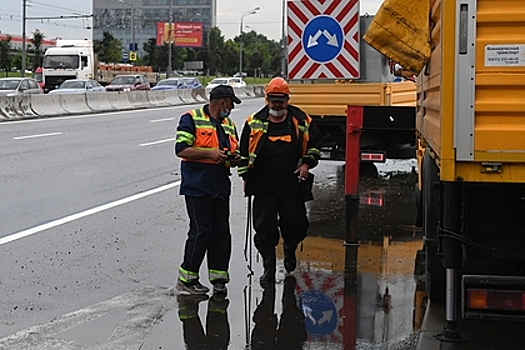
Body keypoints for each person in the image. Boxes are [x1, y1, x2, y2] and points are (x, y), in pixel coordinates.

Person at [238, 77, 321, 284]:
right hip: (264, 185)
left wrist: (306, 165)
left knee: (296, 223)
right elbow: (243, 154)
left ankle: (290, 249)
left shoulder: (302, 120)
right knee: (264, 227)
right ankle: (268, 267)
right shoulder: (253, 122)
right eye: (273, 100)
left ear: (287, 99)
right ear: (267, 99)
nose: (277, 104)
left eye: (280, 100)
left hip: (292, 184)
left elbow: (315, 145)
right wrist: (246, 177)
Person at [175, 84, 242, 295]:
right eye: (231, 103)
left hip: (220, 184)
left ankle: (219, 278)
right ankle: (187, 279)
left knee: (221, 232)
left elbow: (234, 150)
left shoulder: (229, 124)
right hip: (197, 185)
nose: (231, 108)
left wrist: (235, 159)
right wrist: (211, 154)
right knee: (201, 231)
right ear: (223, 102)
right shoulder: (191, 118)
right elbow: (182, 149)